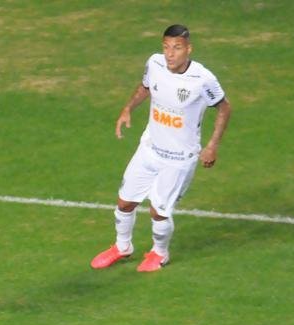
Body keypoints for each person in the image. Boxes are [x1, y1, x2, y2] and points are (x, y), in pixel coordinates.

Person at [91, 24, 231, 273]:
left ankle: (160, 253)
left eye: (176, 48)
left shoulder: (203, 79)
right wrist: (127, 108)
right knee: (124, 202)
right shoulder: (154, 64)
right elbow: (146, 86)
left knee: (158, 211)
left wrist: (212, 146)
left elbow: (224, 107)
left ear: (189, 49)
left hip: (178, 159)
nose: (170, 53)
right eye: (166, 47)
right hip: (149, 149)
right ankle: (122, 247)